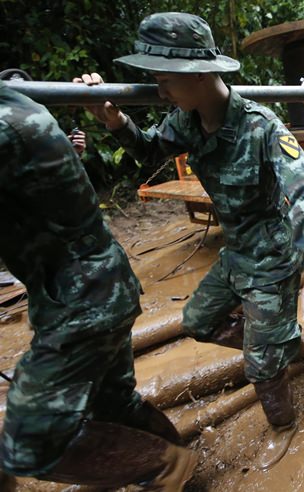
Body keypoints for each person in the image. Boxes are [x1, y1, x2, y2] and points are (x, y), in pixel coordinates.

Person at [75, 12, 304, 469]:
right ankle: (279, 346)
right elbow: (149, 149)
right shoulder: (186, 120)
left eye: (164, 80)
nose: (158, 91)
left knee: (259, 367)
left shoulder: (261, 127)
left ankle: (282, 420)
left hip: (273, 256)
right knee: (198, 321)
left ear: (197, 74)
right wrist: (114, 120)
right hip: (236, 250)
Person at [0, 82, 196, 489]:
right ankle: (182, 471)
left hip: (82, 299)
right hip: (96, 285)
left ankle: (167, 466)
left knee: (28, 443)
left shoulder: (7, 123)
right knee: (112, 404)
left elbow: (152, 147)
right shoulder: (15, 101)